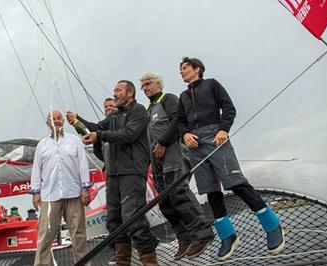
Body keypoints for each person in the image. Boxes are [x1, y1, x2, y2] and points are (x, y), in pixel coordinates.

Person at [175, 57, 285, 260]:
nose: (181, 72)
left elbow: (229, 108)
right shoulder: (182, 96)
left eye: (185, 68)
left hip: (215, 136)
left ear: (197, 69)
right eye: (180, 69)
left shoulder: (212, 84)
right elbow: (180, 121)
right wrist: (185, 135)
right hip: (194, 144)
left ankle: (272, 225)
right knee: (210, 190)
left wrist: (223, 129)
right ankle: (228, 236)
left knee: (235, 182)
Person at [83, 80, 160, 266]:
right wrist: (76, 119)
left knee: (133, 216)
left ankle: (150, 262)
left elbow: (129, 134)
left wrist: (99, 136)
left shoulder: (139, 111)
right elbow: (97, 128)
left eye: (118, 90)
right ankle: (122, 261)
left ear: (130, 94)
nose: (115, 93)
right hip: (113, 175)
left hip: (132, 171)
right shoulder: (113, 117)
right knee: (114, 219)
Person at [140, 72, 215, 259]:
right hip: (157, 163)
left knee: (179, 194)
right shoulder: (149, 109)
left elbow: (178, 121)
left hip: (173, 155)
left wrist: (164, 142)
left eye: (148, 83)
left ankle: (202, 234)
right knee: (165, 202)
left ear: (158, 84)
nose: (145, 88)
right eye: (142, 86)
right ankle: (184, 237)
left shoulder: (169, 99)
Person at [29, 110, 92, 266]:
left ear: (63, 121)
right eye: (52, 119)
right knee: (45, 235)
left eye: (59, 118)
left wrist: (85, 188)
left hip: (74, 193)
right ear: (47, 123)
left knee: (78, 234)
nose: (56, 121)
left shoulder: (74, 141)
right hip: (49, 195)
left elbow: (83, 165)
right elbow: (36, 170)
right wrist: (35, 192)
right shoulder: (42, 145)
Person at [66, 97, 117, 265]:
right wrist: (76, 122)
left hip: (127, 174)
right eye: (106, 106)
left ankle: (140, 247)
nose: (109, 108)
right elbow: (90, 132)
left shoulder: (123, 121)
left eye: (112, 105)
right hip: (111, 175)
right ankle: (118, 249)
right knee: (113, 212)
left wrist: (78, 118)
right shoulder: (102, 126)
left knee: (129, 210)